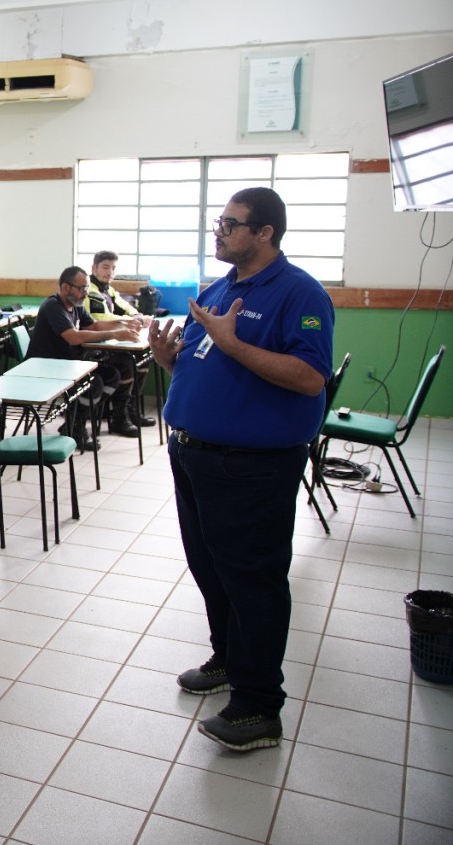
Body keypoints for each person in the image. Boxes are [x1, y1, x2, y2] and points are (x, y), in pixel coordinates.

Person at [149, 187, 333, 752]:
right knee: (210, 565)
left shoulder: (298, 293)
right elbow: (205, 359)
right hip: (195, 454)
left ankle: (258, 708)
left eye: (231, 223)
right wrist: (170, 360)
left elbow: (309, 377)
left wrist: (233, 344)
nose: (219, 230)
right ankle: (228, 659)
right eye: (219, 221)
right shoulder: (224, 286)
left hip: (250, 466)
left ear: (265, 233)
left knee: (254, 580)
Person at [27, 266, 143, 449]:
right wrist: (115, 334)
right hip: (46, 367)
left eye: (87, 288)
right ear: (66, 287)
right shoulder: (53, 306)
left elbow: (94, 326)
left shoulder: (75, 305)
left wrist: (124, 324)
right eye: (82, 288)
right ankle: (76, 425)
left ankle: (75, 421)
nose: (85, 293)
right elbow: (73, 337)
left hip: (67, 364)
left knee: (112, 375)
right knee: (93, 382)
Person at [85, 251, 157, 429]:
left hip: (108, 342)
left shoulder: (107, 289)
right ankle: (119, 416)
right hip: (92, 347)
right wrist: (133, 321)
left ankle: (132, 409)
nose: (109, 272)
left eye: (113, 268)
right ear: (94, 268)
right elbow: (102, 319)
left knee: (142, 357)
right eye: (105, 267)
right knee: (126, 362)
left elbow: (126, 306)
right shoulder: (90, 291)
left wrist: (138, 316)